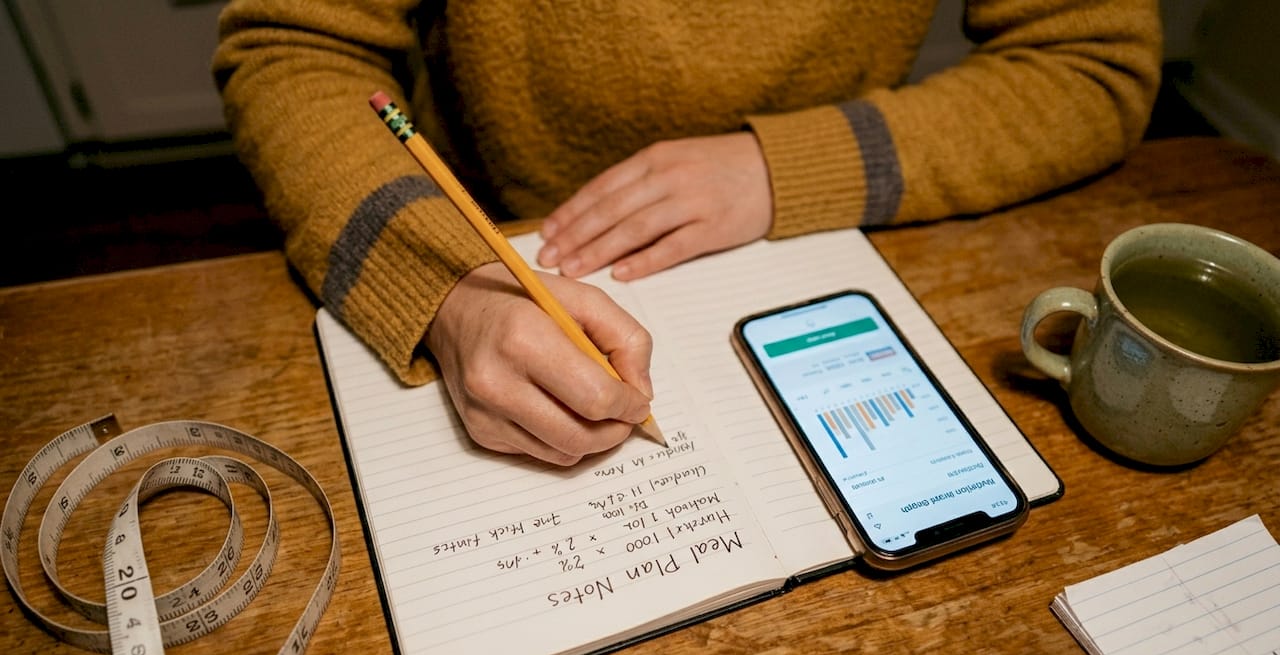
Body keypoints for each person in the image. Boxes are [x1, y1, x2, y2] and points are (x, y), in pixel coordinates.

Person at [212, 1, 1162, 465]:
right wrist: (449, 289)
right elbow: (294, 48)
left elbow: (1090, 62)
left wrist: (787, 166)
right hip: (490, 234)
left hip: (824, 248)